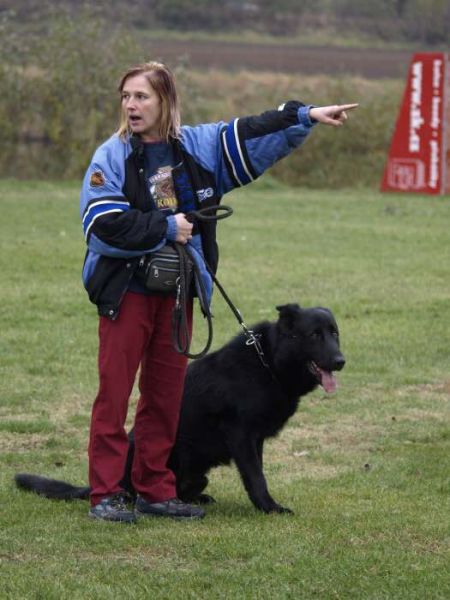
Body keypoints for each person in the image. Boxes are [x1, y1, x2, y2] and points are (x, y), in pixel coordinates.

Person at [79, 61, 357, 523]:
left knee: (165, 397)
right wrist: (166, 227)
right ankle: (105, 494)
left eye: (142, 96)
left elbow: (249, 132)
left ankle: (155, 490)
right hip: (126, 292)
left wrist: (304, 116)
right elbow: (101, 224)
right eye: (126, 96)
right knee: (114, 395)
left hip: (178, 296)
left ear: (166, 101)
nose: (131, 105)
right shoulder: (111, 157)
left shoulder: (197, 147)